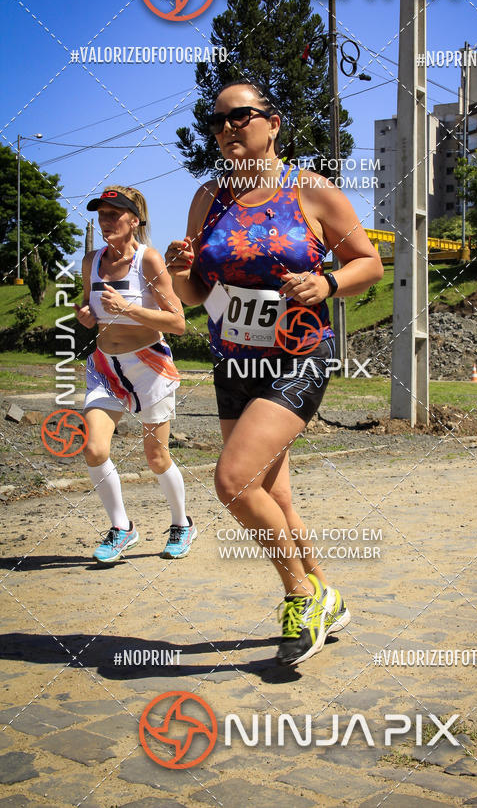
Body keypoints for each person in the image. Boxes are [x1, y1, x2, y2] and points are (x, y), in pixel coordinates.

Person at [166, 81, 383, 665]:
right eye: (217, 121)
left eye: (240, 116)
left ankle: (300, 596)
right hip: (234, 361)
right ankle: (327, 593)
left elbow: (369, 263)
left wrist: (327, 283)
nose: (227, 129)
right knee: (272, 492)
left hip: (297, 356)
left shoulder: (311, 191)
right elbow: (195, 293)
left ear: (273, 123)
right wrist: (181, 270)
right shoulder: (208, 197)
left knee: (234, 482)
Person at [75, 185, 196, 563]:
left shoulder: (149, 260)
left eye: (114, 214)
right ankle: (121, 527)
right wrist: (86, 315)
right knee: (94, 449)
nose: (105, 221)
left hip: (148, 367)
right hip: (105, 367)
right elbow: (87, 304)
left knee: (156, 457)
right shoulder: (91, 261)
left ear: (135, 220)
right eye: (101, 214)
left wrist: (128, 309)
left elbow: (178, 322)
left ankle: (182, 524)